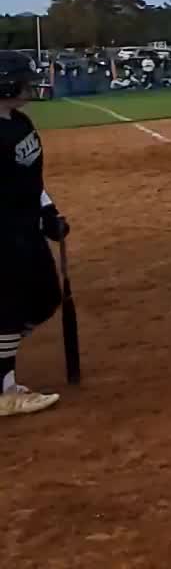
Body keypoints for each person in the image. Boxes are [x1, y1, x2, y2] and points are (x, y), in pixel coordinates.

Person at [1, 50, 68, 418]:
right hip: (5, 233)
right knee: (11, 307)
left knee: (44, 298)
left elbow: (31, 180)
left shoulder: (20, 123)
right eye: (22, 78)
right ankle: (3, 390)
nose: (30, 83)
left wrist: (47, 212)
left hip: (24, 227)